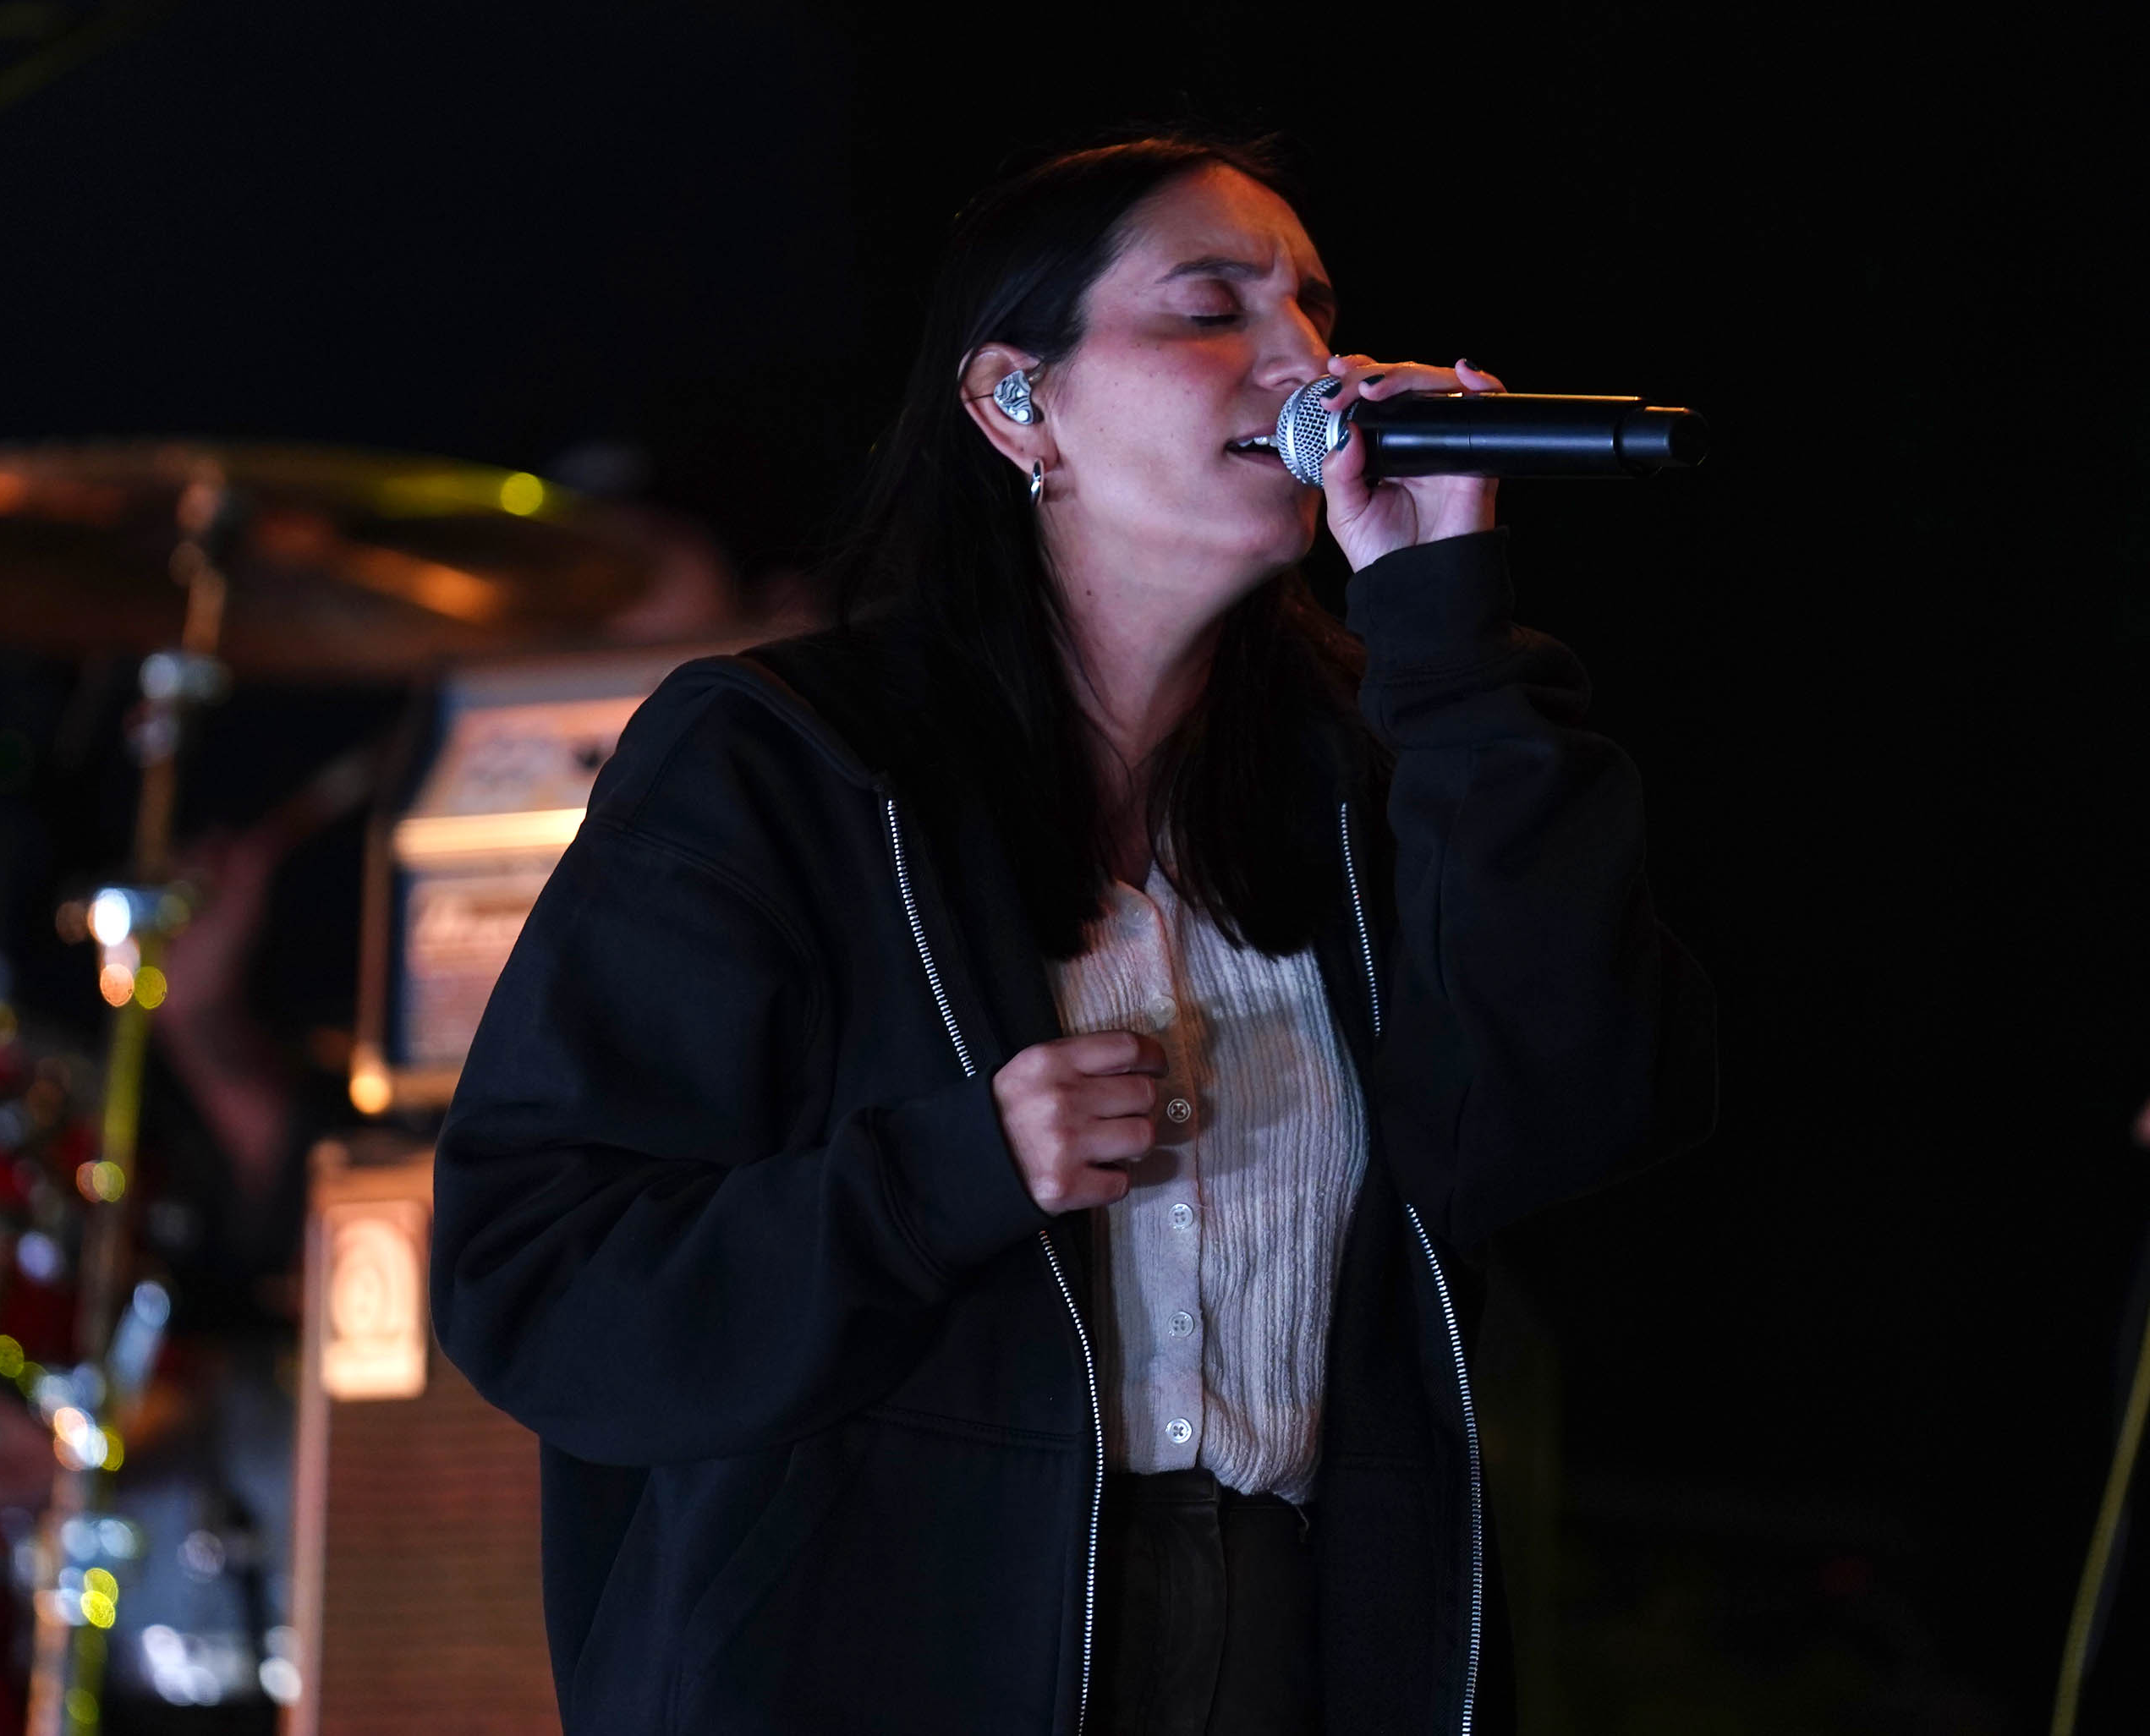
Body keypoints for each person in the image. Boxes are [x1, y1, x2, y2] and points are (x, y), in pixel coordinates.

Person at [431, 134, 1716, 1736]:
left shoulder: (1369, 768)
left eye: (1316, 310)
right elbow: (535, 1271)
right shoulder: (785, 762)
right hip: (888, 1643)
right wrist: (948, 1170)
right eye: (1211, 310)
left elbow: (1573, 1109)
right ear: (1014, 402)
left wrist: (1444, 619)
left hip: (1294, 1642)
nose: (1306, 363)